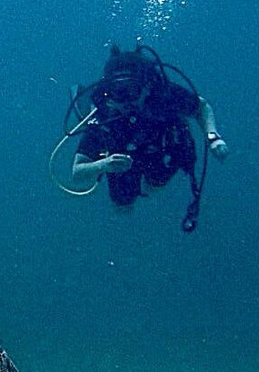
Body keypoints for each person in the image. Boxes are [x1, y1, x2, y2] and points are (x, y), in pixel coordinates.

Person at [63, 44, 228, 232]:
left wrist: (213, 137)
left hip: (161, 148)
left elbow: (201, 107)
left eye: (131, 91)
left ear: (146, 88)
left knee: (156, 183)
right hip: (119, 159)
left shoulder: (164, 96)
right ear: (108, 92)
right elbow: (77, 172)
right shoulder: (103, 115)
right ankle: (127, 234)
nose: (126, 101)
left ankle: (151, 191)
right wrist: (103, 165)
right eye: (118, 92)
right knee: (122, 207)